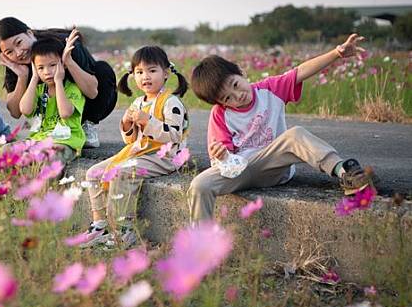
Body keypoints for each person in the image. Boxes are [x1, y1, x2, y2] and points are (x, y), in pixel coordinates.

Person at [188, 33, 375, 223]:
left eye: (235, 85)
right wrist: (222, 156)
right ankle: (201, 244)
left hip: (273, 166)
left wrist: (337, 53)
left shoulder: (270, 89)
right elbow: (226, 165)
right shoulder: (220, 115)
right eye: (227, 98)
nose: (237, 96)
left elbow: (301, 71)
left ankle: (345, 172)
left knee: (296, 134)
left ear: (242, 72)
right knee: (198, 185)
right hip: (239, 172)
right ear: (220, 103)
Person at [79, 45, 190, 248]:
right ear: (133, 76)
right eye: (139, 72)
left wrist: (148, 121)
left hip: (164, 157)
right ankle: (100, 225)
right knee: (93, 173)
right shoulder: (138, 102)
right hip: (139, 152)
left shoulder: (171, 102)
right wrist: (127, 126)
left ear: (166, 73)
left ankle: (123, 231)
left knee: (122, 173)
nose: (145, 76)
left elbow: (174, 134)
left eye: (152, 70)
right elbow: (130, 141)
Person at [0, 17, 117, 148]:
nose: (18, 53)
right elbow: (15, 112)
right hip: (49, 116)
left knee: (103, 69)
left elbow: (92, 92)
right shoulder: (15, 64)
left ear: (29, 33)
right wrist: (22, 77)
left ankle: (87, 125)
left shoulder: (65, 44)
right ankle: (48, 129)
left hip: (82, 105)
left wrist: (68, 61)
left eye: (19, 43)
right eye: (9, 52)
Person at [19, 37, 86, 163]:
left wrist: (59, 81)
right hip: (39, 140)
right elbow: (25, 110)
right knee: (5, 150)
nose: (47, 72)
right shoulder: (38, 90)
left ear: (63, 64)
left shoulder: (72, 89)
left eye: (52, 65)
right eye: (40, 68)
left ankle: (47, 183)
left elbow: (65, 113)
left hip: (66, 141)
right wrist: (34, 78)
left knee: (50, 157)